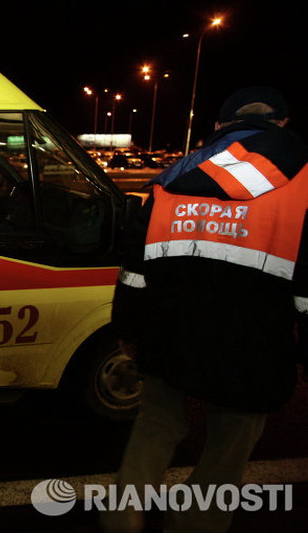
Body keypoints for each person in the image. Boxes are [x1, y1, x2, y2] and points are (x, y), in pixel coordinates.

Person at [102, 85, 308, 533]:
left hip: (168, 333)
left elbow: (135, 269)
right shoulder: (303, 181)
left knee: (156, 425)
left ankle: (123, 518)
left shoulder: (173, 177)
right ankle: (198, 523)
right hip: (252, 345)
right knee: (229, 446)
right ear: (282, 124)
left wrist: (129, 329)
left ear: (218, 127)